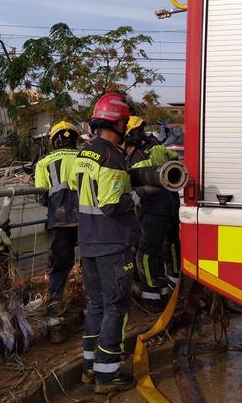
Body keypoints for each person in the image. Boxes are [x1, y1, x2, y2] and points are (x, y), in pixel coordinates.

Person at [69, 93, 154, 394]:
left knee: (96, 305)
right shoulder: (112, 157)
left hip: (89, 242)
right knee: (116, 307)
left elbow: (76, 190)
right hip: (113, 244)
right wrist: (140, 193)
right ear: (118, 123)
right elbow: (111, 203)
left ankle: (89, 369)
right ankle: (108, 376)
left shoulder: (84, 154)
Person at [124, 116, 181, 307]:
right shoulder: (156, 145)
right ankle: (171, 283)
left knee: (146, 253)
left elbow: (136, 185)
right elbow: (174, 159)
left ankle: (151, 295)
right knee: (169, 243)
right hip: (171, 204)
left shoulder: (138, 158)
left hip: (154, 210)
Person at [33, 120, 81, 343]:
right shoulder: (84, 158)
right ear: (75, 138)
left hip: (58, 221)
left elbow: (40, 196)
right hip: (88, 220)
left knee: (59, 269)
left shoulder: (43, 163)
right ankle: (94, 314)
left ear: (54, 141)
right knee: (91, 264)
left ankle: (56, 323)